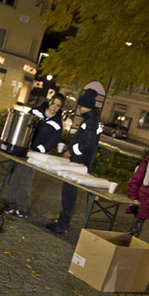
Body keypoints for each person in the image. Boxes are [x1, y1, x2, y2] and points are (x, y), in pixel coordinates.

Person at [46, 88, 102, 235]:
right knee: (69, 193)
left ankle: (62, 225)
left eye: (80, 106)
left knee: (69, 193)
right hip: (79, 162)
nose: (79, 108)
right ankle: (62, 223)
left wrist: (71, 151)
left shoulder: (90, 121)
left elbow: (86, 144)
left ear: (85, 106)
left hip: (78, 163)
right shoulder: (93, 119)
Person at [6, 94, 65, 217]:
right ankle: (9, 204)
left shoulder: (57, 123)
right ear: (50, 101)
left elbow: (52, 141)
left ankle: (22, 208)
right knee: (14, 177)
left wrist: (39, 149)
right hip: (22, 148)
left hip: (36, 155)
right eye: (54, 103)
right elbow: (23, 124)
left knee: (27, 180)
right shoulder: (36, 111)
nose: (55, 107)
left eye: (58, 106)